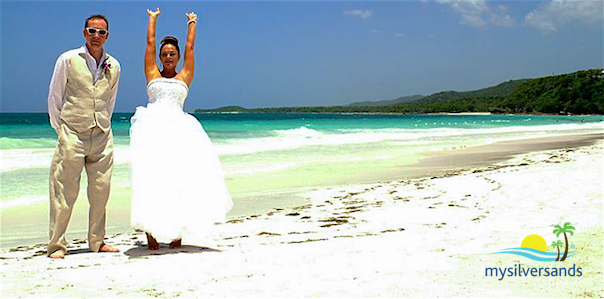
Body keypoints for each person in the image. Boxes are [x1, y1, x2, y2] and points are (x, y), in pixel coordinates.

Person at [129, 8, 233, 250]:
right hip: (152, 131)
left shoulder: (185, 76)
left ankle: (176, 236)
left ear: (176, 57)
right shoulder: (151, 73)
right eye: (164, 54)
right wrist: (152, 19)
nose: (167, 57)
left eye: (171, 54)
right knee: (151, 179)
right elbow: (149, 44)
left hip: (180, 132)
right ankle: (151, 236)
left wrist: (192, 24)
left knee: (178, 179)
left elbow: (191, 49)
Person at [47, 14, 121, 259]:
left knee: (101, 190)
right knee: (64, 191)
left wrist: (103, 123)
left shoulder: (115, 65)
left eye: (101, 32)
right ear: (84, 32)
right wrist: (63, 130)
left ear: (107, 35)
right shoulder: (68, 59)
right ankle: (57, 245)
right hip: (72, 134)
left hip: (101, 134)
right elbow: (54, 98)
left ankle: (97, 242)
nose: (96, 36)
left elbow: (110, 100)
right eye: (92, 31)